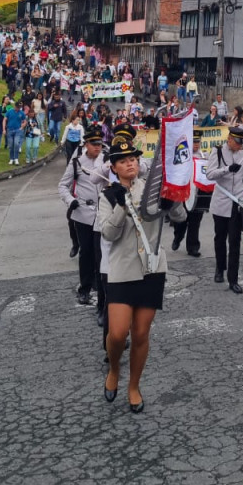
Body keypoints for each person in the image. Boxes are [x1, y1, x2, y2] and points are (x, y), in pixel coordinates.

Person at [99, 137, 186, 411]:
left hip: (151, 269)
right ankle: (114, 369)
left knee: (140, 334)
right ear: (114, 167)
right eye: (123, 161)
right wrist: (120, 207)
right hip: (122, 270)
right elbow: (108, 234)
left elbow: (180, 217)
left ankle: (134, 386)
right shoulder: (108, 195)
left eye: (133, 159)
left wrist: (172, 201)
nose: (130, 164)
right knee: (117, 334)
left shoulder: (153, 189)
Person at [205, 126, 243, 294]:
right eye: (237, 142)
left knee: (235, 241)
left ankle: (233, 279)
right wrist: (227, 169)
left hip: (236, 202)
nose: (239, 145)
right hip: (221, 201)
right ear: (229, 139)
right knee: (220, 238)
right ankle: (219, 268)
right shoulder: (217, 151)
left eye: (241, 142)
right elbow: (209, 174)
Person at [59, 128, 105, 306]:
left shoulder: (106, 160)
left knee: (100, 253)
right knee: (86, 252)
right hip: (83, 213)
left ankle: (101, 287)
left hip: (103, 213)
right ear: (86, 144)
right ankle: (84, 288)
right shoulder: (77, 162)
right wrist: (71, 200)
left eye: (100, 144)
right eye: (94, 144)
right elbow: (63, 185)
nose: (97, 147)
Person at [172, 129, 211, 256]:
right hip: (184, 192)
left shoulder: (204, 157)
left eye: (198, 142)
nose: (196, 144)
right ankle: (178, 237)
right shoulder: (182, 155)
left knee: (195, 222)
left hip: (198, 194)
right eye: (194, 142)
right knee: (181, 220)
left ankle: (193, 247)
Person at [3, 100, 27, 166]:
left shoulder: (21, 113)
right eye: (17, 107)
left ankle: (16, 158)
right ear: (15, 106)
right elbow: (4, 120)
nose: (18, 108)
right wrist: (4, 129)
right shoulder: (9, 112)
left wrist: (22, 126)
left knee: (16, 144)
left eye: (19, 107)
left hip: (18, 130)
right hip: (10, 130)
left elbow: (25, 121)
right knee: (11, 145)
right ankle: (11, 158)